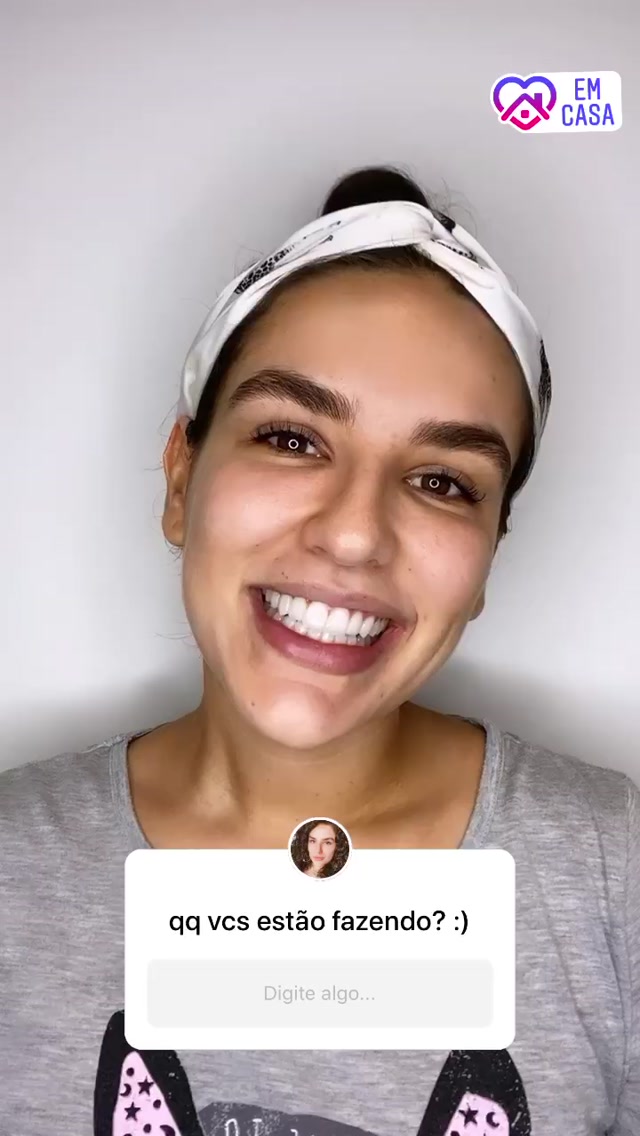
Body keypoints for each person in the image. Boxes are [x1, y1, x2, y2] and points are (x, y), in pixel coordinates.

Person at [0, 165, 638, 1136]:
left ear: (487, 558)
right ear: (181, 480)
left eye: (442, 481)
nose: (352, 534)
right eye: (293, 439)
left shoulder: (609, 870)